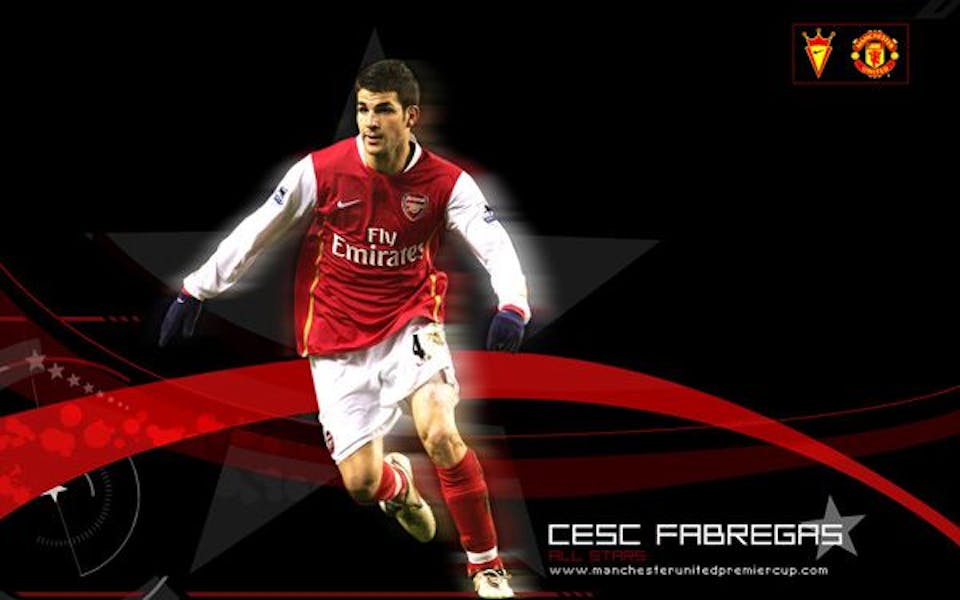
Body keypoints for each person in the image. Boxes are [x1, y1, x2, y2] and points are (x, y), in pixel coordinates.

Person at [158, 59, 529, 599]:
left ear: (411, 116)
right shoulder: (321, 171)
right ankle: (398, 487)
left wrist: (513, 304)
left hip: (410, 321)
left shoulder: (447, 183)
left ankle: (486, 566)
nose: (370, 122)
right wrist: (196, 290)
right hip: (335, 336)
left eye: (384, 110)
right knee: (361, 484)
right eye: (363, 109)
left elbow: (494, 245)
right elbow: (258, 230)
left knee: (441, 432)